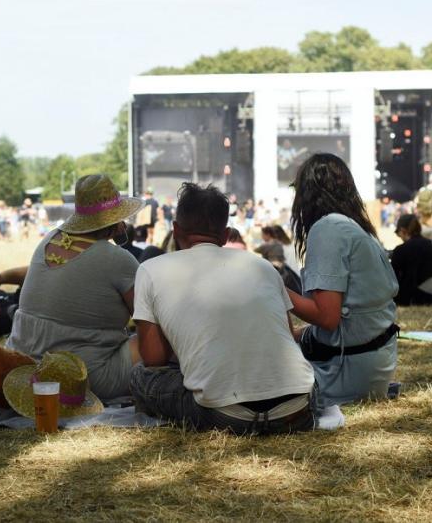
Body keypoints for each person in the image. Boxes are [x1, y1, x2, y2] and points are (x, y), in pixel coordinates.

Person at [130, 183, 317, 434]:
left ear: (175, 230)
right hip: (297, 408)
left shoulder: (150, 270)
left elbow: (153, 359)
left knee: (140, 375)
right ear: (226, 234)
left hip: (223, 415)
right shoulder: (261, 266)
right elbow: (285, 333)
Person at [4, 174, 144, 400]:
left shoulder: (48, 239)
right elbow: (146, 320)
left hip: (25, 369)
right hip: (82, 378)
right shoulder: (117, 259)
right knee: (156, 336)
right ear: (117, 221)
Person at [286, 153, 399, 404]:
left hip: (344, 372)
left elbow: (327, 317)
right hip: (371, 362)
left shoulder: (327, 229)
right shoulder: (353, 226)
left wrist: (274, 288)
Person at [390, 214, 432, 306]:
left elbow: (392, 279)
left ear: (403, 231)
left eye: (398, 233)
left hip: (408, 300)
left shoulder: (400, 250)